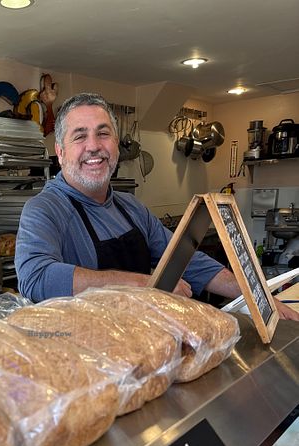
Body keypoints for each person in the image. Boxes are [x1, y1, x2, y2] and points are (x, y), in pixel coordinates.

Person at [15, 92, 298, 320]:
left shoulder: (130, 207)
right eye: (80, 136)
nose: (94, 146)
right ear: (60, 152)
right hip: (87, 361)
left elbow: (186, 259)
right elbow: (37, 278)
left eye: (103, 134)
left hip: (142, 345)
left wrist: (259, 297)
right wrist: (147, 285)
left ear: (115, 144)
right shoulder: (44, 209)